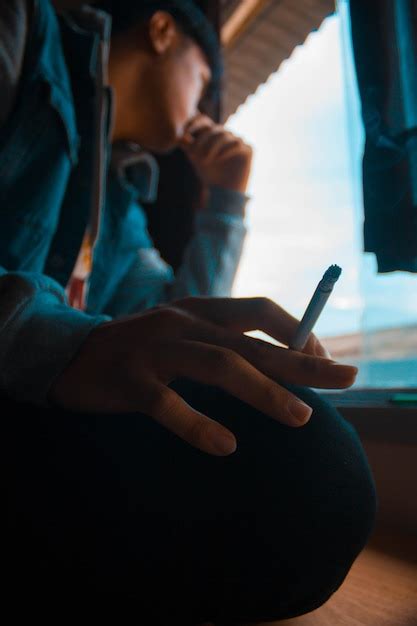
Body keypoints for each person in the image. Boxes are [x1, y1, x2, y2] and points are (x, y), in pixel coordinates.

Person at [0, 1, 377, 624]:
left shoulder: (117, 208)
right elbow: (86, 343)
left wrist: (226, 199)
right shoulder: (20, 29)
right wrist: (59, 343)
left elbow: (168, 324)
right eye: (204, 81)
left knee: (307, 477)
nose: (205, 109)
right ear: (160, 29)